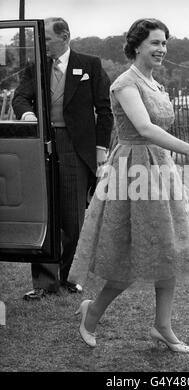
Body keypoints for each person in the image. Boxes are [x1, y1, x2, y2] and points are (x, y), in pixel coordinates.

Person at [68, 18, 189, 352]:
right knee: (126, 256)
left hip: (160, 171)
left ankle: (162, 327)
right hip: (131, 173)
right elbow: (145, 128)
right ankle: (90, 313)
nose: (162, 49)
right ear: (137, 45)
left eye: (164, 43)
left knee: (170, 249)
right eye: (155, 43)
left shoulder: (155, 83)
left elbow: (158, 134)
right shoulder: (125, 83)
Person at [12, 17, 113, 300]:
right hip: (42, 144)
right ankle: (44, 282)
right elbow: (19, 97)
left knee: (71, 215)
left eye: (47, 39)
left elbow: (104, 111)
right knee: (43, 212)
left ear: (65, 36)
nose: (41, 44)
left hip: (76, 148)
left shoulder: (90, 64)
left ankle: (70, 277)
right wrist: (28, 114)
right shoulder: (36, 67)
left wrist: (101, 150)